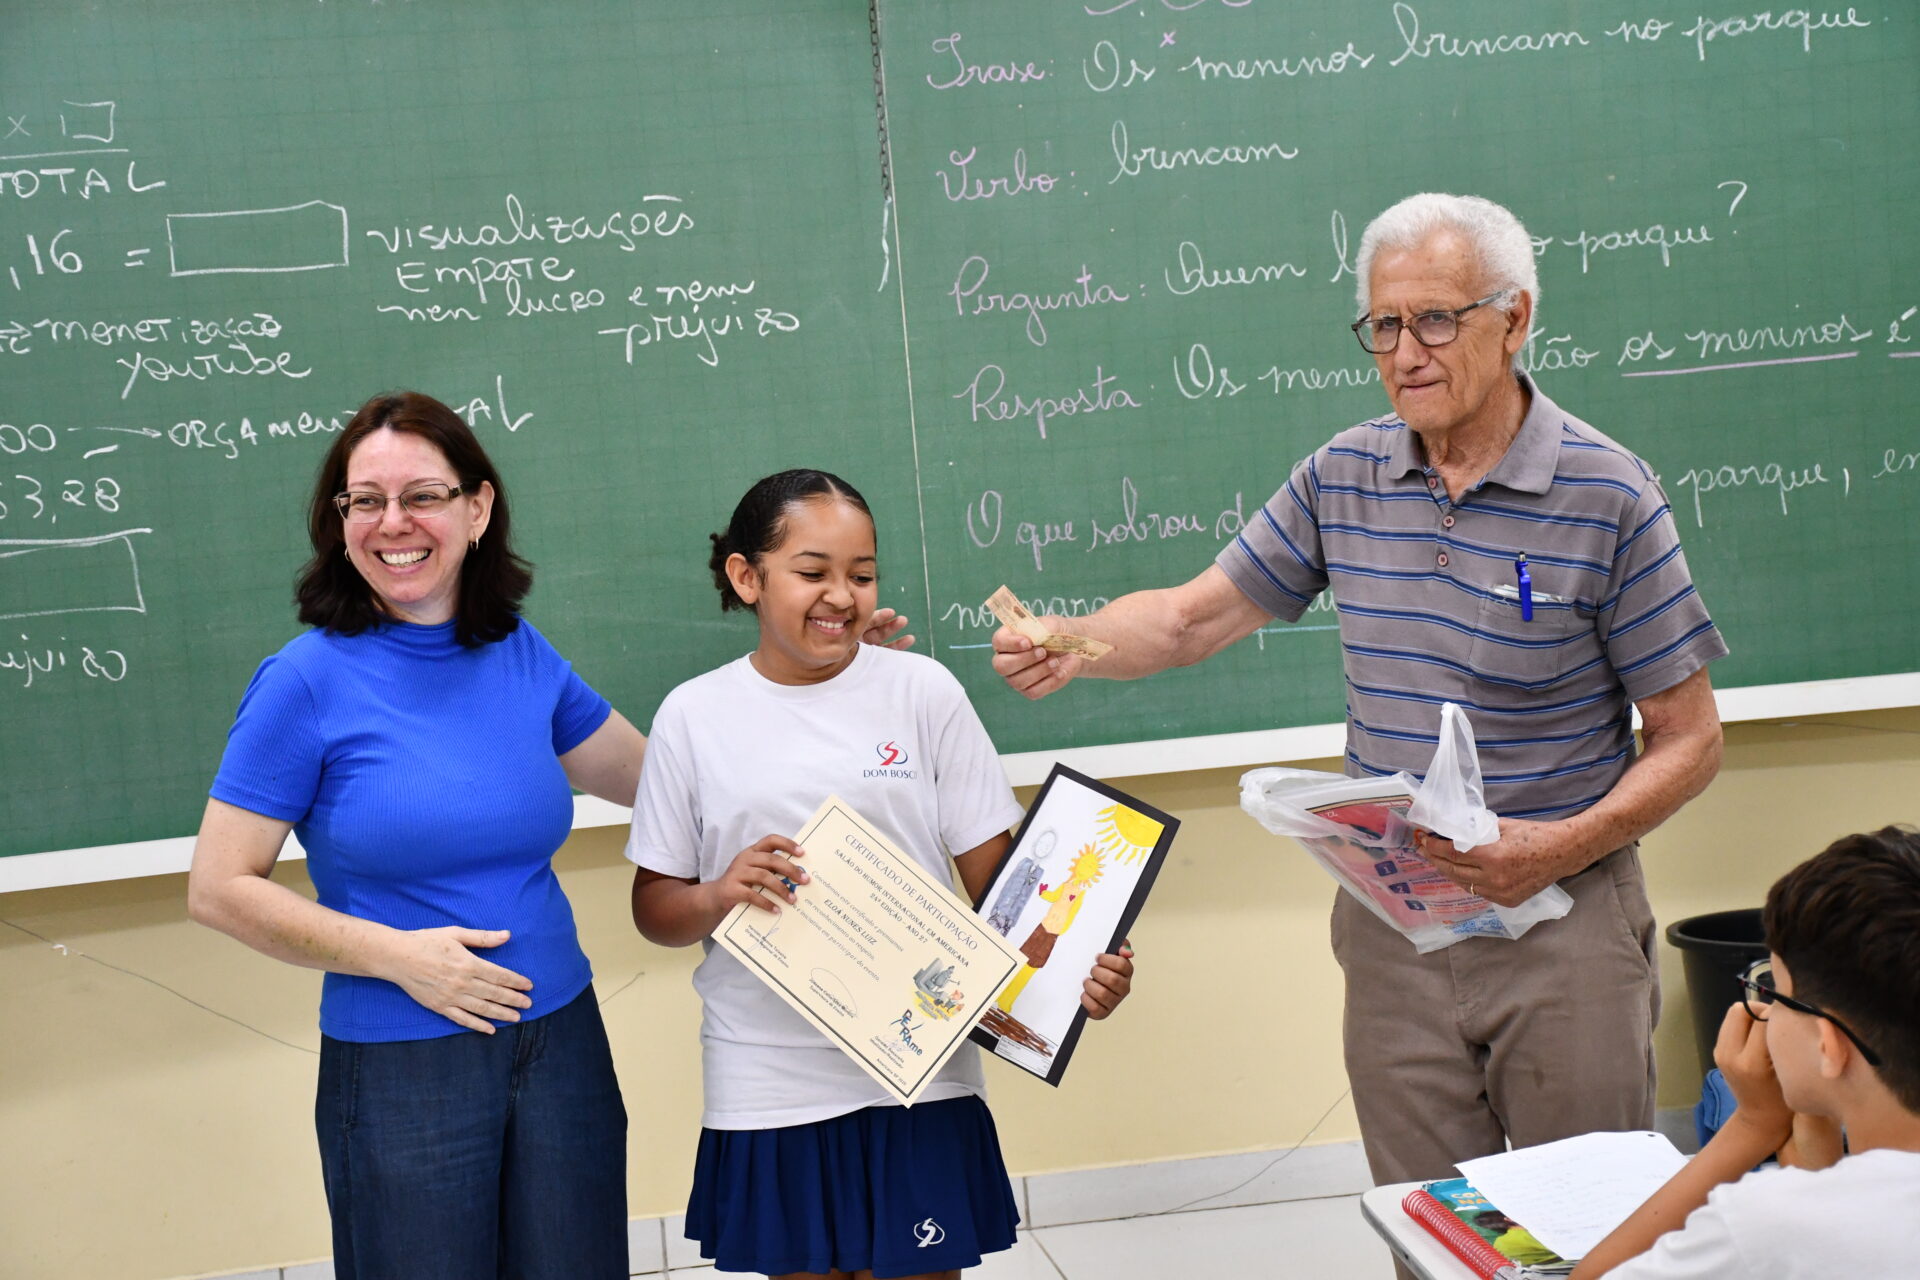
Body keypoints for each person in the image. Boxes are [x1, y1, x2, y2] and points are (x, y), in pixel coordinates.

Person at [990, 193, 1727, 1196]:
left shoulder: (1611, 495)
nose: (1405, 353)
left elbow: (1690, 737)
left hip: (1560, 921)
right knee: (1428, 1228)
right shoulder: (1344, 474)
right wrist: (1069, 643)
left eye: (1436, 320)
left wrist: (1555, 848)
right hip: (1396, 929)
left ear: (1515, 318)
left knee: (1583, 1229)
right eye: (1383, 325)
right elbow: (1190, 619)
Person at [185, 394, 910, 1278]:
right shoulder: (303, 682)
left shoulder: (518, 653)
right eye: (365, 501)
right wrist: (400, 958)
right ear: (340, 523)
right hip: (403, 1058)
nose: (393, 523)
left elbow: (678, 781)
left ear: (477, 509)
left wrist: (833, 674)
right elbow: (218, 887)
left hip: (560, 1043)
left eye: (423, 496)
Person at [627, 469, 1134, 1280]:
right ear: (747, 577)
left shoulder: (923, 691)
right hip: (769, 1075)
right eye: (813, 571)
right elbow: (654, 908)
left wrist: (1084, 963)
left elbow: (1002, 892)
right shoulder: (693, 715)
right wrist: (720, 895)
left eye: (862, 575)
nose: (842, 596)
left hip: (918, 1071)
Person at [1572, 827, 1920, 1278]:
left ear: (1829, 1045)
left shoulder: (1764, 1222)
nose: (1767, 1010)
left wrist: (1754, 1124)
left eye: (1777, 992)